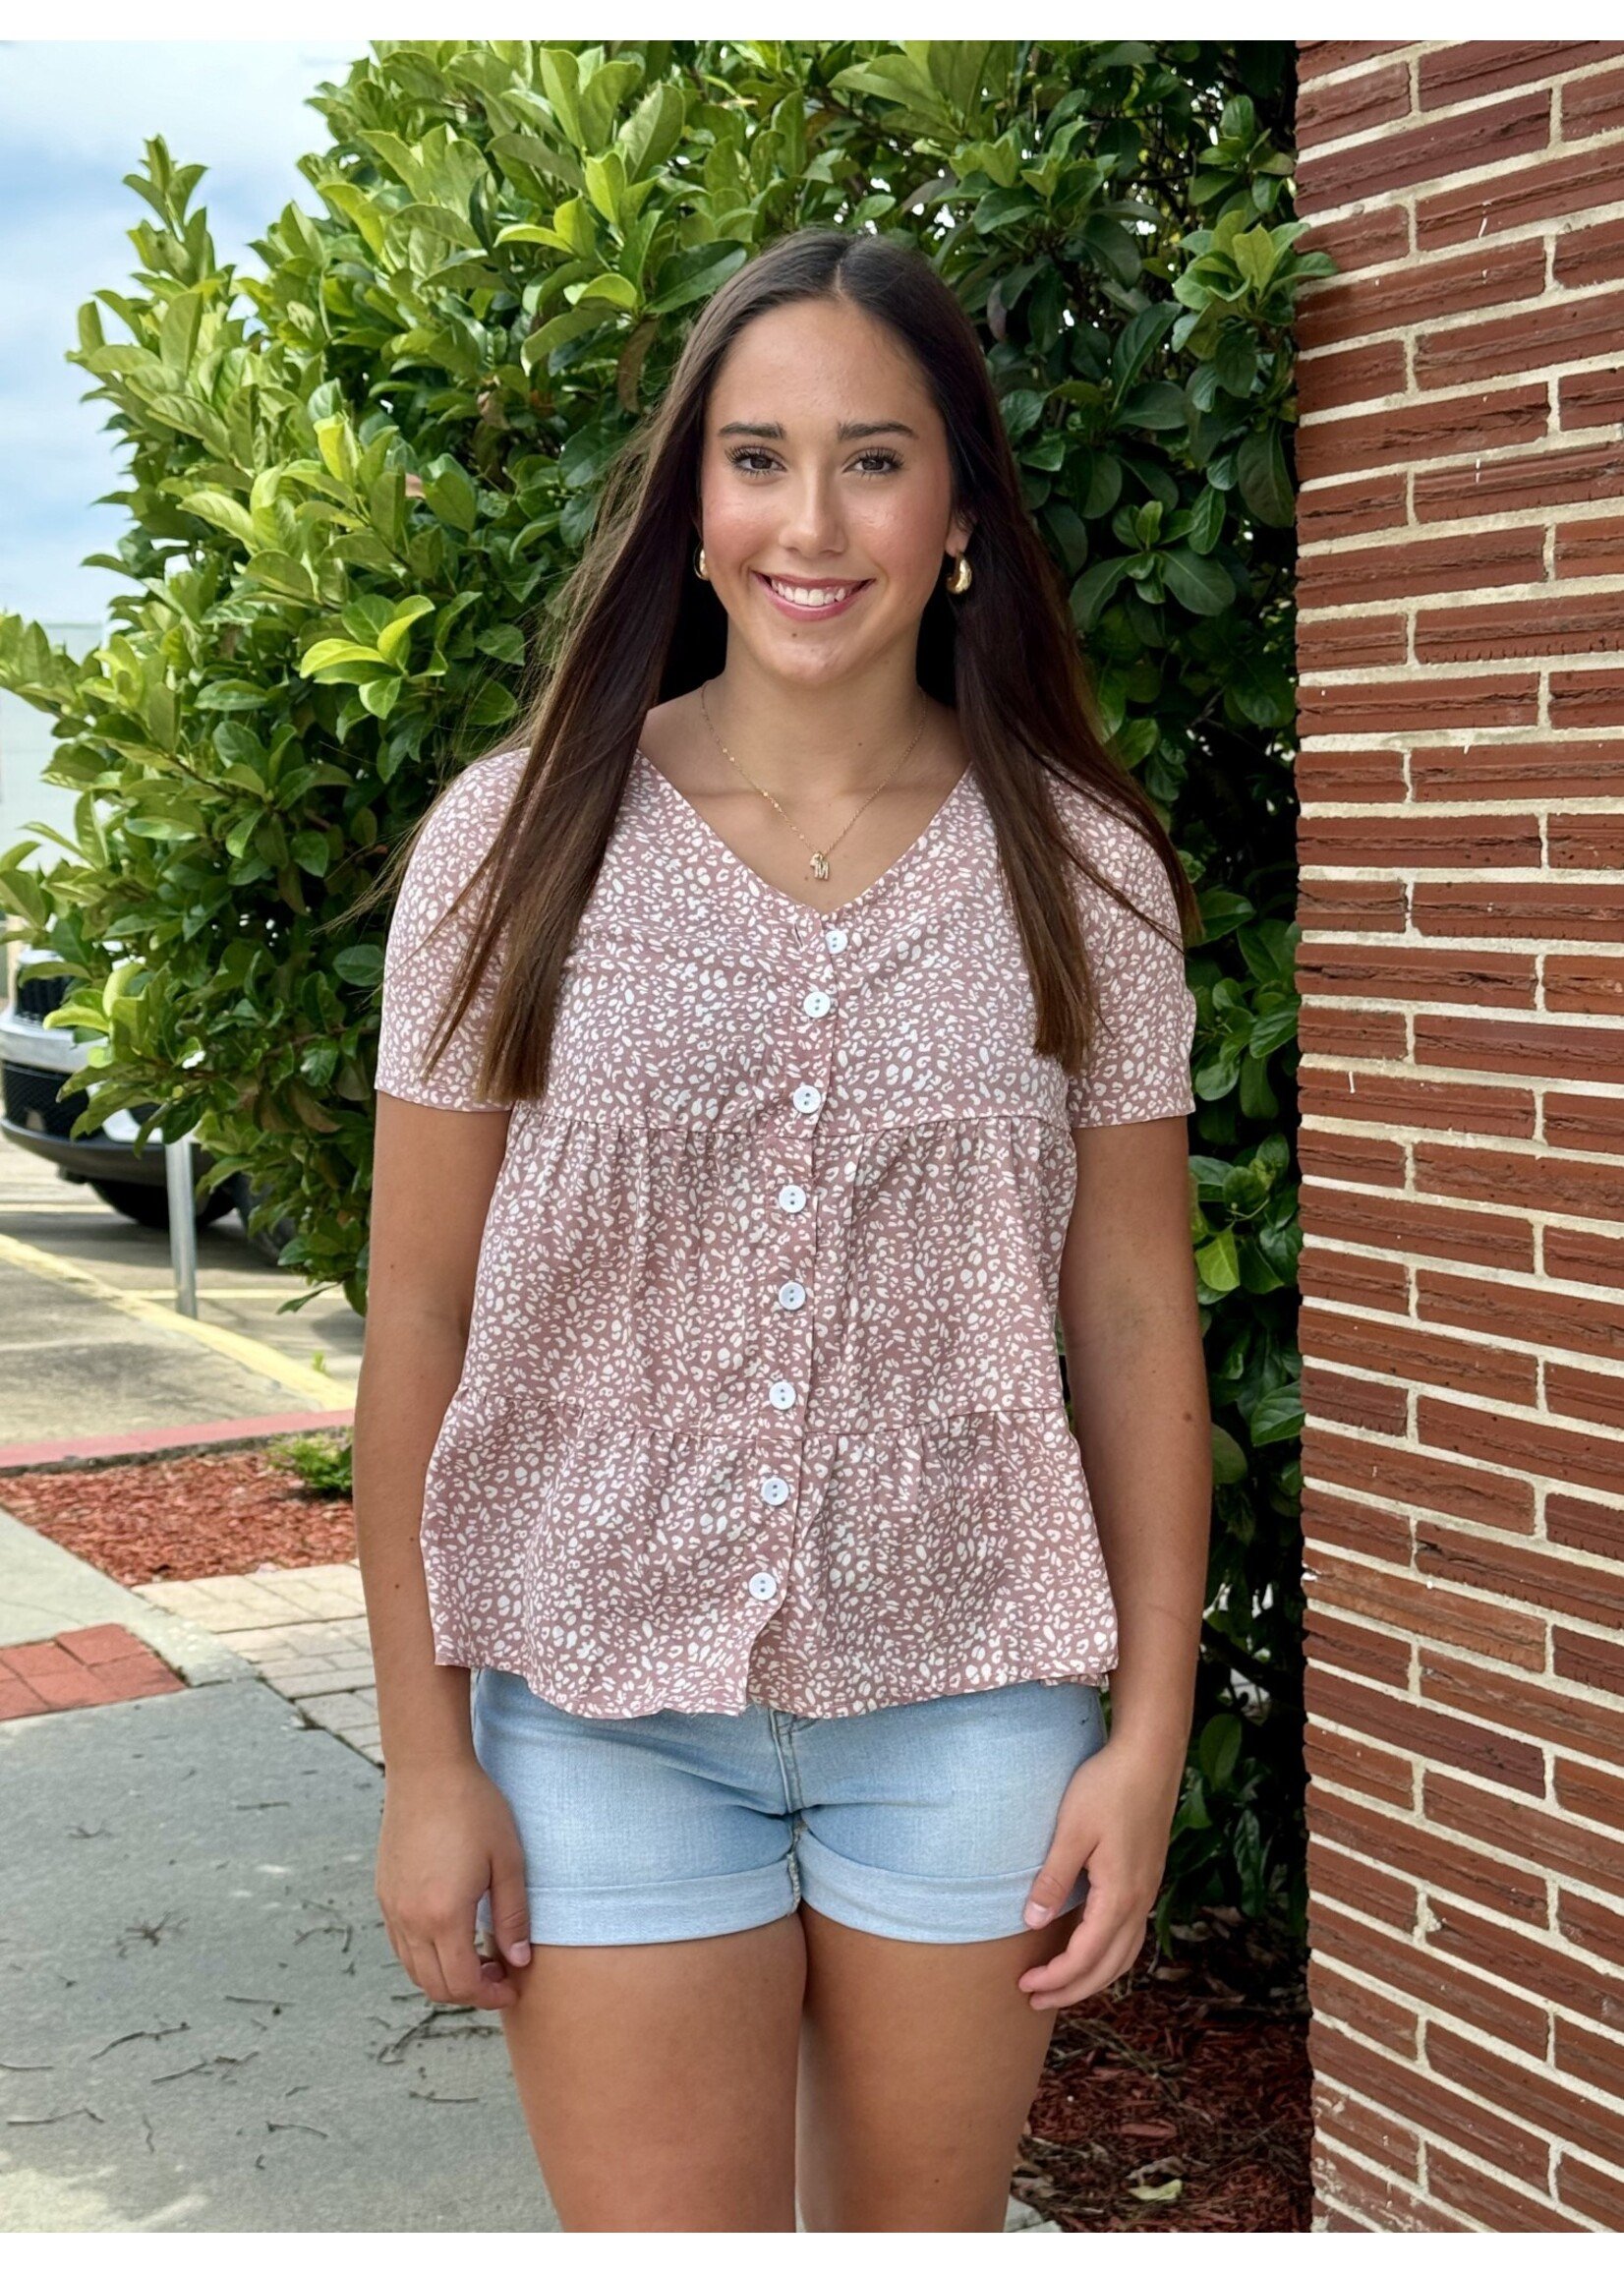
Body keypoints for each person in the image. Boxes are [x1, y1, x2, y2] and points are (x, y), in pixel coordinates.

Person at [355, 224, 1211, 2234]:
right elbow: (414, 1316)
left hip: (976, 1705)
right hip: (595, 1711)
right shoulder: (518, 836)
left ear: (965, 513)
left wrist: (1147, 1740)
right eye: (755, 457)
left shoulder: (1082, 871)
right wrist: (422, 1756)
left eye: (872, 457)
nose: (807, 520)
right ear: (693, 501)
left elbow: (1137, 1321)